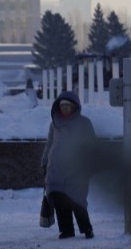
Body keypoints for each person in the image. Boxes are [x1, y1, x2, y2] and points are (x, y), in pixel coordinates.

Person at [40, 90, 95, 239]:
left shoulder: (84, 123)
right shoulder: (54, 124)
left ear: (74, 106)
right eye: (62, 105)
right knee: (60, 202)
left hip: (77, 169)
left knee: (78, 201)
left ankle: (86, 229)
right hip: (55, 169)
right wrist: (44, 162)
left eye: (68, 105)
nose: (65, 108)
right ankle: (66, 230)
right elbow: (50, 144)